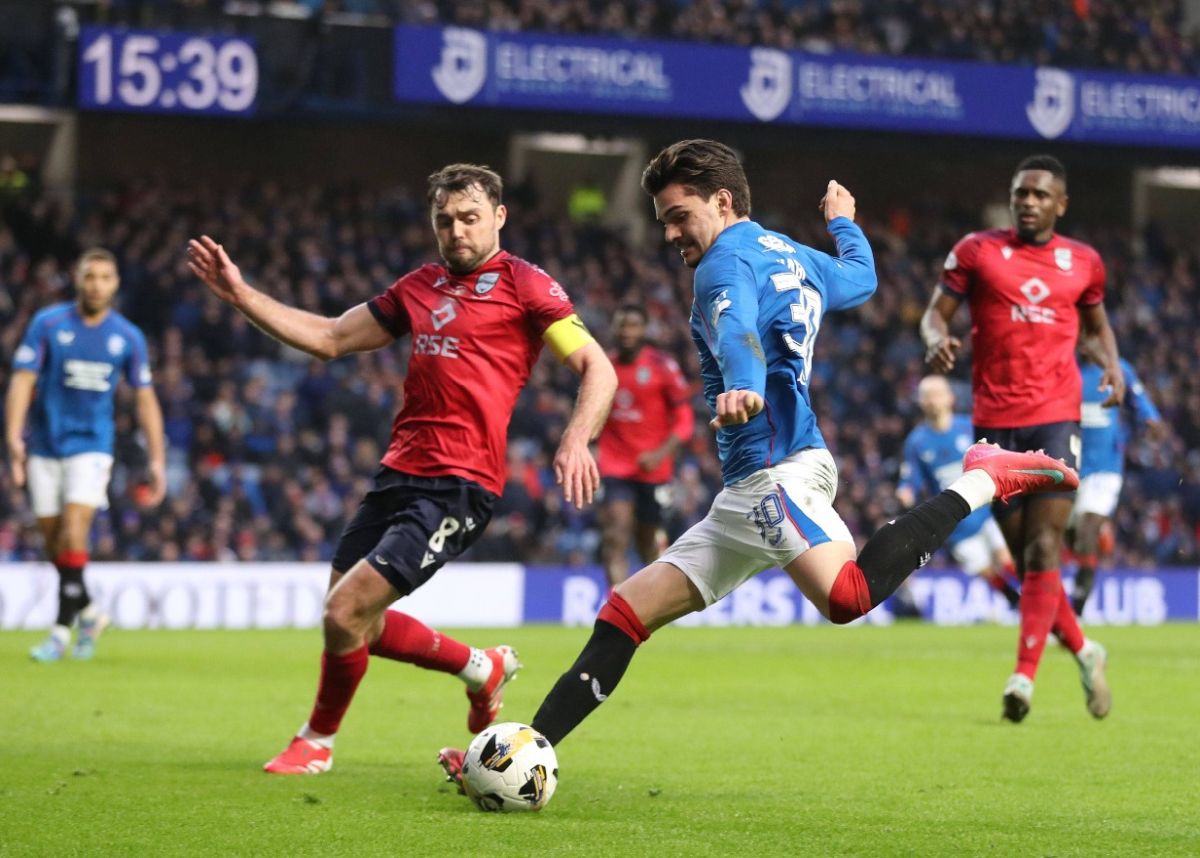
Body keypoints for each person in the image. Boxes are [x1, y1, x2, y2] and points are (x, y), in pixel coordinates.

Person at [438, 140, 1076, 785]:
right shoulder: (792, 253)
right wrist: (843, 223)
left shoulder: (721, 263)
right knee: (625, 613)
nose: (670, 232)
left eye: (679, 214)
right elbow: (860, 279)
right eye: (663, 217)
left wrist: (743, 383)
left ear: (722, 201)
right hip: (758, 479)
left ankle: (979, 478)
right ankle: (520, 754)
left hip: (776, 467)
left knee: (847, 595)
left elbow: (737, 330)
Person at [187, 163, 617, 775]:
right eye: (444, 220)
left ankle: (317, 742)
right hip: (397, 472)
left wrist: (578, 438)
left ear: (498, 216)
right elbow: (332, 337)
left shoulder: (527, 286)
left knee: (343, 614)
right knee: (348, 618)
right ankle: (480, 666)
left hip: (461, 483)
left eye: (469, 218)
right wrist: (241, 295)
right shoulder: (418, 286)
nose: (456, 230)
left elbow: (598, 367)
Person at [921, 154, 1122, 723]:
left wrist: (1112, 365)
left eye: (1039, 194)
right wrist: (936, 338)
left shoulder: (1083, 261)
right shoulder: (978, 251)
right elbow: (935, 316)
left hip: (1057, 417)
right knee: (1026, 559)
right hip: (994, 424)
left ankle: (1022, 679)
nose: (1028, 202)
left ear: (1061, 203)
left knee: (1043, 550)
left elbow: (1098, 322)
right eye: (1020, 193)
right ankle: (1085, 651)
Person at [5, 247, 166, 661]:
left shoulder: (127, 336)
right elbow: (23, 380)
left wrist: (157, 458)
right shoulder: (48, 323)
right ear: (77, 279)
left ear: (116, 284)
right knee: (54, 541)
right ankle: (90, 612)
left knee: (75, 529)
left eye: (105, 278)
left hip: (92, 445)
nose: (96, 285)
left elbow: (145, 399)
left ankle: (59, 632)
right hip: (45, 444)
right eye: (89, 276)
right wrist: (13, 438)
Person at [897, 375, 1020, 610]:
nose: (933, 401)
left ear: (950, 398)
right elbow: (911, 478)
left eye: (937, 394)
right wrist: (906, 491)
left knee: (1006, 561)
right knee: (984, 569)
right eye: (927, 396)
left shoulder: (970, 427)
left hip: (987, 512)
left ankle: (1037, 601)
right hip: (955, 525)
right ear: (920, 402)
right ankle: (1016, 602)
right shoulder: (917, 442)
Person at [597, 304, 693, 586]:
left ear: (644, 330)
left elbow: (685, 419)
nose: (626, 332)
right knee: (615, 533)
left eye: (633, 325)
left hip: (654, 468)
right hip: (615, 464)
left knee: (648, 541)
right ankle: (615, 607)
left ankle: (653, 604)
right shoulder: (604, 365)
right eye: (622, 325)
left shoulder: (662, 366)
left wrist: (662, 453)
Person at [1068, 352, 1165, 615]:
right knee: (1072, 537)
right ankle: (1101, 529)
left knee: (1086, 530)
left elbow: (1140, 401)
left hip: (1106, 466)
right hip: (1069, 465)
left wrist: (1151, 421)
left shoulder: (1118, 368)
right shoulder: (1064, 366)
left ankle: (1077, 607)